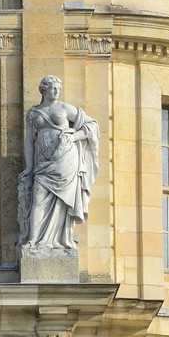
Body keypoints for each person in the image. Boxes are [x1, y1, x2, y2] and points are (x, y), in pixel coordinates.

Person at [17, 75, 99, 251]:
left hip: (66, 159)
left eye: (58, 88)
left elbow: (91, 127)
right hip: (42, 164)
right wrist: (30, 167)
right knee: (38, 199)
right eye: (53, 88)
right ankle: (33, 240)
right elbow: (29, 142)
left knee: (61, 201)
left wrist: (73, 136)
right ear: (44, 89)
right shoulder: (33, 113)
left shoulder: (64, 108)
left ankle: (61, 239)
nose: (56, 91)